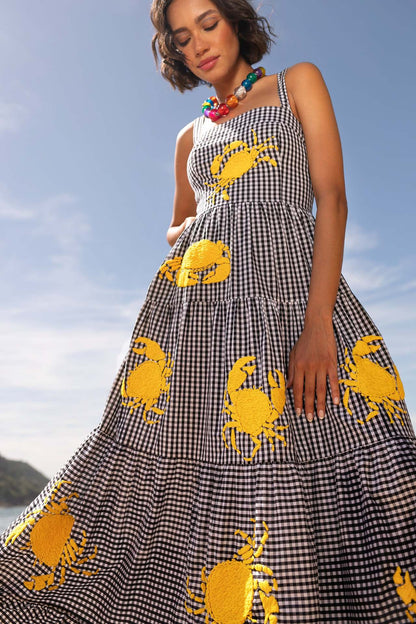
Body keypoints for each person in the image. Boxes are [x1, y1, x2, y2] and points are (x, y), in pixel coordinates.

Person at [0, 0, 415, 622]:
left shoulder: (296, 83)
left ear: (235, 21)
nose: (197, 44)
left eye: (208, 23)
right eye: (181, 37)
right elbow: (176, 225)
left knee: (345, 437)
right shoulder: (189, 137)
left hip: (287, 294)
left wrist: (318, 324)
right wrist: (208, 222)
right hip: (197, 313)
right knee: (181, 453)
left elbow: (331, 198)